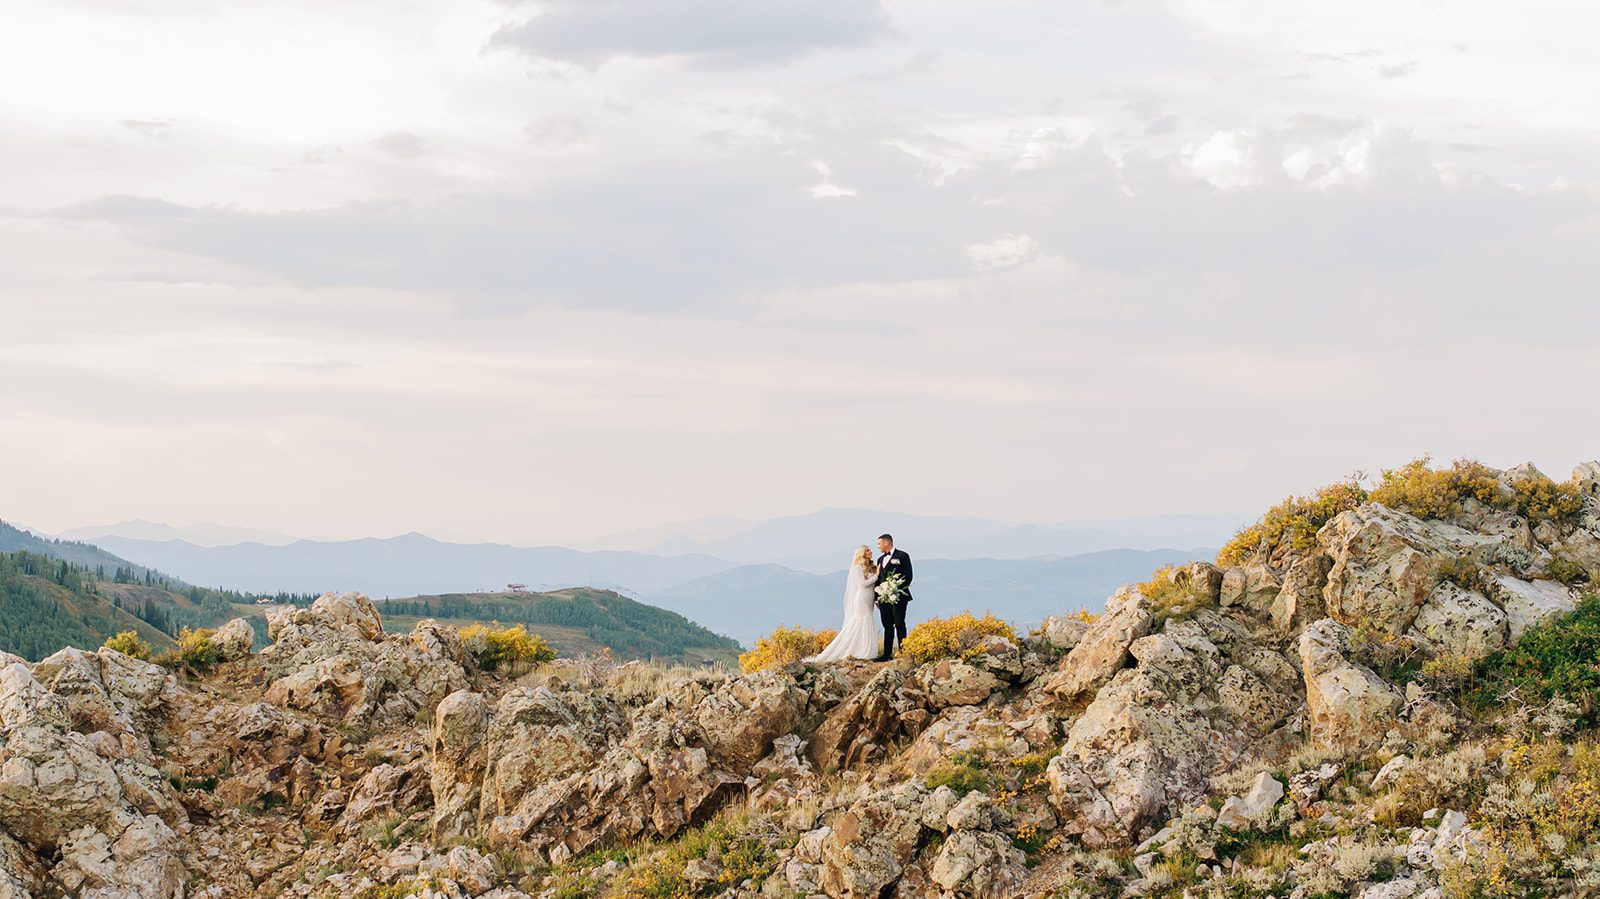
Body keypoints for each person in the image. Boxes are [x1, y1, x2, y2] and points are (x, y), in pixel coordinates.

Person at [807, 545, 883, 661]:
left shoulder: (872, 567)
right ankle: (859, 650)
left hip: (870, 599)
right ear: (862, 553)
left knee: (867, 620)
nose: (870, 551)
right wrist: (876, 576)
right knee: (861, 621)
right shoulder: (857, 568)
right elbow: (862, 584)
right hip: (862, 599)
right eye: (867, 550)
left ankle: (864, 648)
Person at [872, 533, 913, 660]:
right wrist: (877, 597)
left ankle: (903, 652)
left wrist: (895, 589)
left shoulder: (902, 556)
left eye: (879, 544)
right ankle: (886, 654)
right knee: (887, 625)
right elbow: (878, 579)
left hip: (898, 596)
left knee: (899, 623)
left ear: (886, 543)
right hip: (883, 598)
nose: (878, 546)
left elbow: (908, 576)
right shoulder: (880, 559)